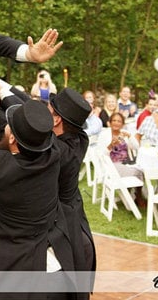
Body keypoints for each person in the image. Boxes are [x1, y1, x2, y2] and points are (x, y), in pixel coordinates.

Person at [0, 99, 76, 298]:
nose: (4, 126)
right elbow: (29, 129)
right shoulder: (52, 156)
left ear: (11, 140)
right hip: (57, 272)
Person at [48, 88, 97, 298]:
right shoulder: (80, 138)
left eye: (48, 111)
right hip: (77, 221)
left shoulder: (57, 151)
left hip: (67, 230)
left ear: (57, 120)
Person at [100, 112, 145, 207]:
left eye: (119, 121)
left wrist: (130, 136)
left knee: (142, 170)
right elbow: (101, 155)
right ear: (110, 122)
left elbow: (136, 147)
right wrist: (111, 145)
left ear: (123, 124)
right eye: (114, 120)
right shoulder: (104, 134)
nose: (116, 123)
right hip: (112, 166)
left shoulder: (125, 133)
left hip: (126, 163)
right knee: (138, 172)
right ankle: (138, 196)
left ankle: (131, 194)